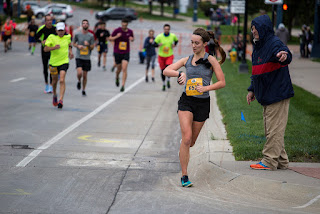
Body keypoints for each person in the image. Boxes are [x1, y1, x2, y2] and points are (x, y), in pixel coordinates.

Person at [163, 28, 226, 187]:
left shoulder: (210, 60)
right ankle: (184, 175)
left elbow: (222, 82)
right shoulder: (186, 60)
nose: (193, 45)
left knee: (190, 143)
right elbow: (166, 70)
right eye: (192, 42)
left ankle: (184, 147)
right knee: (186, 138)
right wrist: (180, 75)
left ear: (205, 44)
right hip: (187, 101)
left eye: (197, 43)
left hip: (202, 104)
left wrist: (206, 88)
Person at [247, 15, 294, 171]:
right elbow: (256, 72)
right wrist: (252, 89)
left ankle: (269, 161)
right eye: (252, 29)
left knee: (274, 129)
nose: (253, 31)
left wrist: (284, 55)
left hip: (277, 93)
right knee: (273, 129)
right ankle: (281, 161)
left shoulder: (274, 43)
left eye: (255, 29)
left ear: (263, 29)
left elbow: (284, 52)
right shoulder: (258, 47)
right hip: (266, 95)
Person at [44, 22, 73, 109]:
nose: (60, 32)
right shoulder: (51, 37)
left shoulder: (68, 37)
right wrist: (53, 48)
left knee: (62, 79)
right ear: (56, 30)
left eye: (62, 30)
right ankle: (55, 94)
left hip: (64, 61)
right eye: (59, 30)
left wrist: (70, 52)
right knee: (54, 81)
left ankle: (61, 100)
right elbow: (45, 49)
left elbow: (69, 44)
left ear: (65, 30)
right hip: (53, 63)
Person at [109, 18, 134, 92]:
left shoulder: (130, 31)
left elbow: (132, 38)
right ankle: (117, 77)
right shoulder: (117, 30)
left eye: (125, 25)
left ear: (127, 25)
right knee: (118, 69)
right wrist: (116, 36)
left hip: (126, 52)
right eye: (123, 25)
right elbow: (110, 38)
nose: (124, 26)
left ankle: (123, 85)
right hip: (117, 52)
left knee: (124, 68)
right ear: (121, 24)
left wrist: (132, 39)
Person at [35, 14, 57, 94]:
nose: (49, 22)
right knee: (45, 67)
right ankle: (46, 84)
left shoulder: (55, 28)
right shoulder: (42, 28)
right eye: (47, 20)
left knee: (51, 67)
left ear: (52, 21)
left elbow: (61, 35)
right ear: (45, 21)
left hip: (53, 50)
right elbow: (35, 37)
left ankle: (51, 85)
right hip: (44, 50)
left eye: (50, 20)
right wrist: (41, 41)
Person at [73, 19, 95, 96]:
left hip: (87, 58)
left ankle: (83, 89)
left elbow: (92, 47)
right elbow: (73, 43)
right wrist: (78, 46)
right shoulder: (77, 34)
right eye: (83, 23)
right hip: (79, 56)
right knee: (79, 73)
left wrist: (88, 45)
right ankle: (79, 81)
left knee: (85, 75)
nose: (85, 25)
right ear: (82, 25)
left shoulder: (91, 36)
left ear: (88, 25)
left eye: (86, 23)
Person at [154, 24, 178, 91]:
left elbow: (176, 41)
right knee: (163, 71)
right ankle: (164, 83)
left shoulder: (172, 36)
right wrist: (158, 45)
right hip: (161, 56)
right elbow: (154, 44)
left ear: (169, 30)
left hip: (169, 55)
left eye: (168, 29)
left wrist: (174, 45)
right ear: (163, 29)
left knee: (168, 68)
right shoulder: (160, 36)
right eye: (165, 29)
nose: (166, 30)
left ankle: (168, 79)